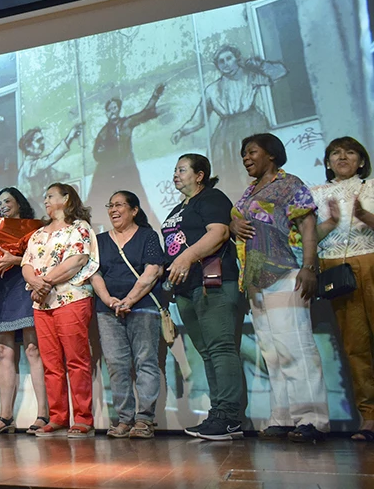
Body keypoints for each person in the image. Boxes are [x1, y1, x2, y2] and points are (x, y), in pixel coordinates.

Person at [231, 133, 329, 442]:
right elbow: (239, 221)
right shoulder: (249, 192)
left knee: (295, 347)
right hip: (255, 281)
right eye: (243, 153)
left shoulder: (290, 184)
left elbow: (308, 226)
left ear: (271, 154)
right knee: (272, 351)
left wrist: (309, 267)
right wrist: (234, 224)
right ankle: (283, 416)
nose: (246, 158)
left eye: (252, 152)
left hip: (287, 272)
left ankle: (312, 418)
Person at [161, 154, 244, 441]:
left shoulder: (211, 198)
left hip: (213, 283)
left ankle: (230, 417)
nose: (175, 174)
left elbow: (219, 232)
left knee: (221, 347)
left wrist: (187, 258)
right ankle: (218, 413)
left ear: (200, 175)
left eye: (182, 169)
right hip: (185, 288)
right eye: (175, 169)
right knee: (207, 351)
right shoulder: (176, 208)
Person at [21, 183, 99, 438]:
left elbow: (77, 260)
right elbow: (26, 263)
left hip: (71, 299)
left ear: (66, 199)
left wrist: (44, 282)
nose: (45, 200)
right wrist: (36, 282)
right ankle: (58, 417)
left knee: (76, 360)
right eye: (45, 196)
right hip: (42, 303)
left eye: (50, 196)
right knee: (51, 363)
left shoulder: (79, 228)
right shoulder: (38, 233)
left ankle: (83, 418)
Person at [312, 136, 374, 442]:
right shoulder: (315, 193)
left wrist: (365, 216)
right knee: (355, 346)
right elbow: (305, 239)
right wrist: (331, 221)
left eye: (350, 152)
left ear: (361, 160)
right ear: (327, 162)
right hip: (336, 270)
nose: (342, 157)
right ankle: (370, 416)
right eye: (335, 153)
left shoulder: (371, 186)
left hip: (371, 263)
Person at [91, 191, 164, 439]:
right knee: (116, 365)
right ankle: (124, 419)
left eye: (119, 205)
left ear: (134, 210)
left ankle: (144, 419)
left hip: (142, 306)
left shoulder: (147, 235)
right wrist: (108, 300)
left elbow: (153, 270)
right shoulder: (100, 240)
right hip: (107, 309)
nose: (113, 209)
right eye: (110, 205)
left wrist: (129, 300)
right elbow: (94, 273)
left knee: (146, 361)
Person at [172, 45, 287, 191]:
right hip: (226, 134)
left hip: (251, 126)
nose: (226, 64)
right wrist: (181, 131)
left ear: (237, 59)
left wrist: (259, 64)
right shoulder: (212, 89)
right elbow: (199, 118)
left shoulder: (250, 77)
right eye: (221, 61)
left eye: (229, 58)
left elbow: (280, 72)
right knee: (229, 171)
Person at [0, 188, 49, 435]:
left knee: (33, 349)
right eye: (0, 202)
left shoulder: (36, 228)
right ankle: (5, 415)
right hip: (1, 289)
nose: (3, 205)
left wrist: (16, 260)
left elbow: (43, 260)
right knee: (3, 350)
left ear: (20, 204)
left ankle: (43, 414)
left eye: (8, 201)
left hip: (24, 285)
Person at [89, 85, 165, 227]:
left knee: (139, 204)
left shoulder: (126, 123)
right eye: (109, 109)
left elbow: (145, 113)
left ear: (118, 109)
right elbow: (96, 155)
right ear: (106, 112)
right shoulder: (103, 133)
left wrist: (155, 96)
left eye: (115, 108)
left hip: (128, 171)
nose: (112, 111)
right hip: (109, 176)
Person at [17, 125, 82, 209]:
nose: (43, 143)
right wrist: (69, 138)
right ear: (28, 146)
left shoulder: (39, 165)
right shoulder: (29, 166)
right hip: (34, 211)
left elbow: (57, 174)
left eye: (42, 140)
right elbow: (50, 159)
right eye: (39, 140)